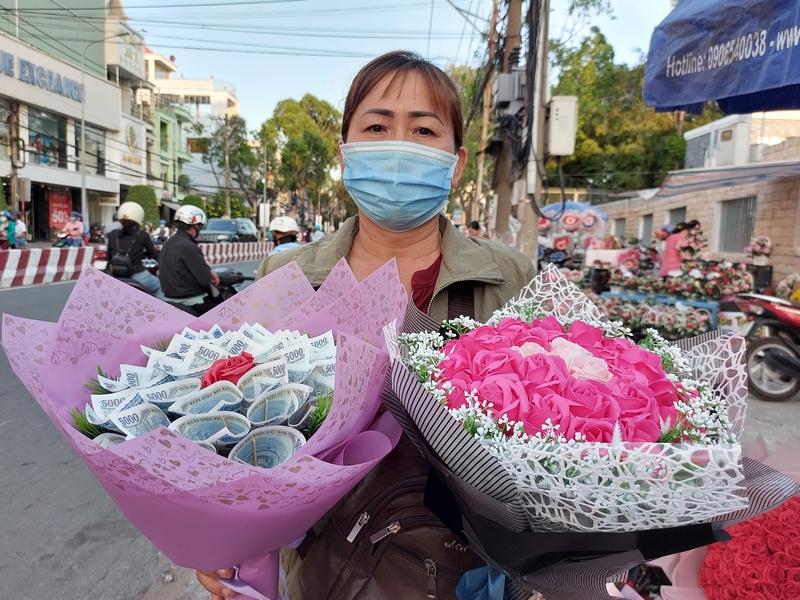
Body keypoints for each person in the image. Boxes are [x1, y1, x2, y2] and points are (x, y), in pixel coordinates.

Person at [197, 50, 535, 600]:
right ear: (346, 153)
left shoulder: (511, 280)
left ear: (456, 161)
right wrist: (216, 537)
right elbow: (231, 425)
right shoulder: (285, 277)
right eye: (377, 126)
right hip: (323, 570)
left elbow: (559, 440)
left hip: (469, 576)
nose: (398, 147)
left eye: (424, 130)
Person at [159, 205, 221, 315]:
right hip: (191, 301)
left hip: (169, 298)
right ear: (196, 225)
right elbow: (205, 279)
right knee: (221, 316)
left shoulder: (169, 243)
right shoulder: (189, 246)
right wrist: (209, 274)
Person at [106, 202, 165, 299]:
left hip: (115, 275)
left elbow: (108, 257)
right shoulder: (142, 235)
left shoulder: (113, 234)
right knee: (160, 287)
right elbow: (154, 255)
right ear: (139, 216)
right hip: (137, 274)